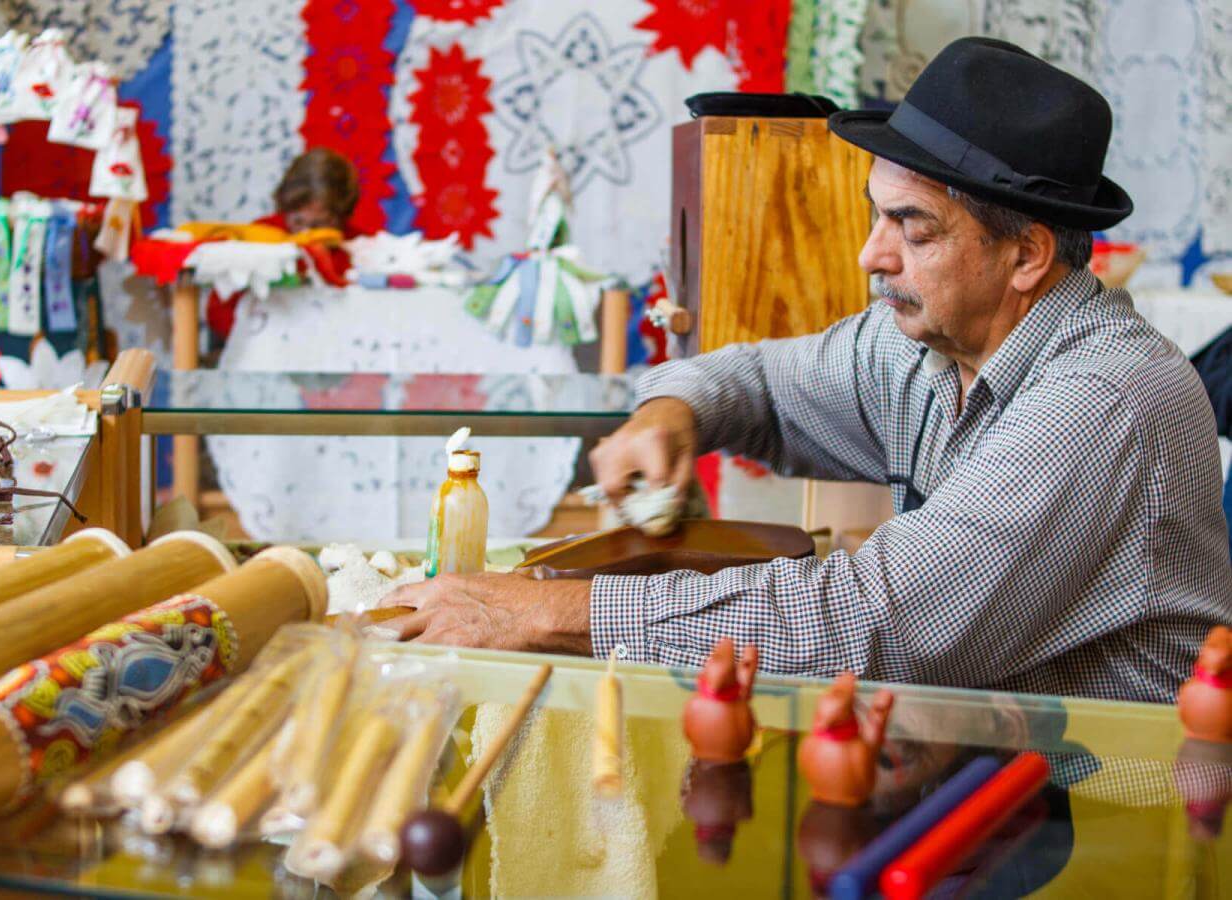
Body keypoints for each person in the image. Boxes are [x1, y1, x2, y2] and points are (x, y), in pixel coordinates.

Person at [385, 37, 1232, 703]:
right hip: (990, 767)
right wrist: (671, 413)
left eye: (916, 229)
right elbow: (753, 378)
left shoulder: (1103, 399)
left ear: (1026, 254)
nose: (873, 254)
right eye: (876, 217)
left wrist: (539, 611)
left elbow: (875, 622)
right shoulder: (927, 348)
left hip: (1116, 808)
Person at [206, 147, 360, 340]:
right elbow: (219, 310)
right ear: (284, 209)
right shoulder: (259, 238)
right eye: (297, 222)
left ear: (343, 218)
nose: (307, 233)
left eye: (319, 225)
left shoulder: (360, 247)